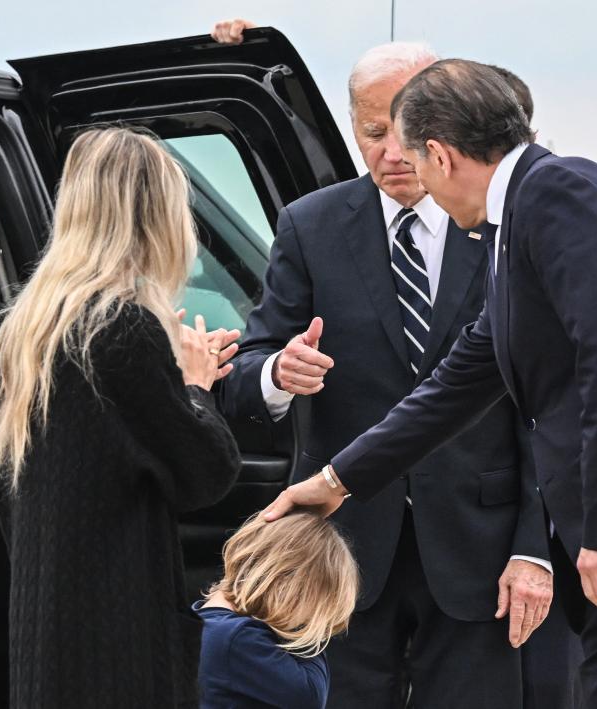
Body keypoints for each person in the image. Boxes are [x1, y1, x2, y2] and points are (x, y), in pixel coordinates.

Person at [264, 59, 597, 709]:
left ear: (441, 154)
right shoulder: (513, 223)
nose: (421, 187)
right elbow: (458, 381)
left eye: (420, 167)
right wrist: (334, 482)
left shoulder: (560, 191)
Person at [214, 24, 571, 708]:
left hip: (480, 548)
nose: (390, 149)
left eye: (405, 126)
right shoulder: (309, 226)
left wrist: (533, 546)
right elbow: (244, 375)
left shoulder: (498, 224)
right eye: (372, 130)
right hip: (341, 552)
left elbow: (541, 403)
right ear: (352, 127)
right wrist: (276, 374)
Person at [0, 127, 243, 709]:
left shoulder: (27, 326)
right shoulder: (124, 329)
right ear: (155, 216)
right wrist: (194, 384)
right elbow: (205, 474)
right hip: (114, 633)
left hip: (44, 618)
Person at [195, 512, 359, 708]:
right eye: (314, 611)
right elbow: (310, 697)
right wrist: (306, 636)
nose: (308, 622)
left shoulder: (209, 624)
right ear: (291, 588)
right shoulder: (237, 637)